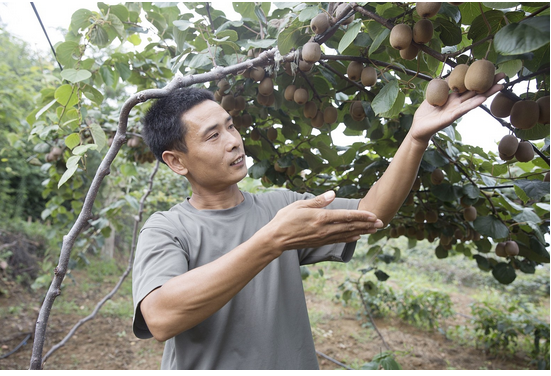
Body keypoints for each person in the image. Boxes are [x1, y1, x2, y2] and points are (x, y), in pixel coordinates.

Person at [132, 74, 505, 370]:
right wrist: (271, 241)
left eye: (230, 126)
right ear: (177, 161)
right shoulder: (167, 228)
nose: (233, 141)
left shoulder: (279, 207)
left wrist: (416, 137)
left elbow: (370, 212)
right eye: (213, 136)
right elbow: (161, 317)